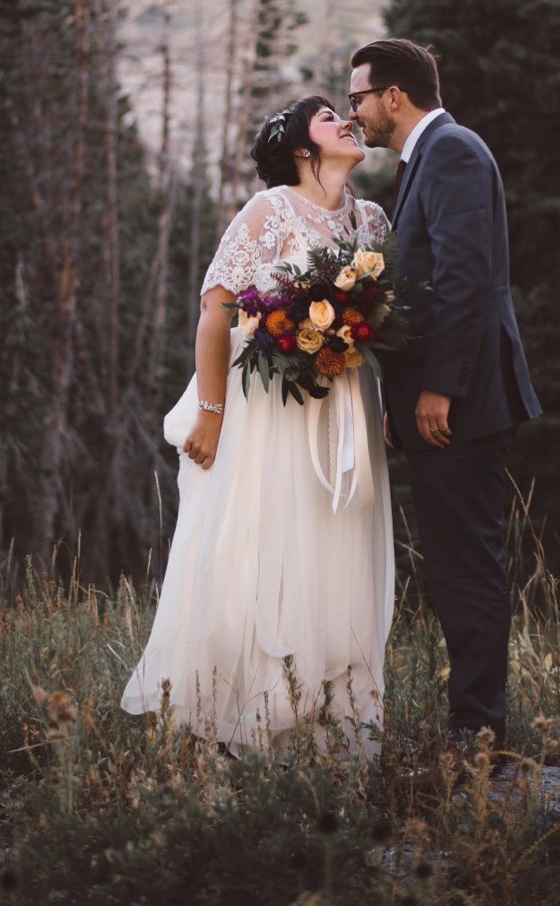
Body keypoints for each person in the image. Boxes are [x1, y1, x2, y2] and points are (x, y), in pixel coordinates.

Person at [121, 96, 394, 758]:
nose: (348, 125)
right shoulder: (267, 213)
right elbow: (216, 313)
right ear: (303, 148)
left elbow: (389, 318)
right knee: (267, 547)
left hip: (345, 407)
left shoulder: (374, 220)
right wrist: (211, 414)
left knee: (339, 550)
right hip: (271, 410)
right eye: (332, 119)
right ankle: (245, 715)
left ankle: (329, 725)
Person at [348, 39, 541, 770]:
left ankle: (479, 735)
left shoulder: (453, 150)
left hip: (461, 403)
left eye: (359, 95)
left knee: (468, 566)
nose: (356, 109)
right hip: (436, 401)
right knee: (458, 563)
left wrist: (439, 388)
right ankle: (473, 726)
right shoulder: (429, 158)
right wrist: (406, 393)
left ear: (394, 96)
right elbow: (426, 288)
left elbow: (465, 280)